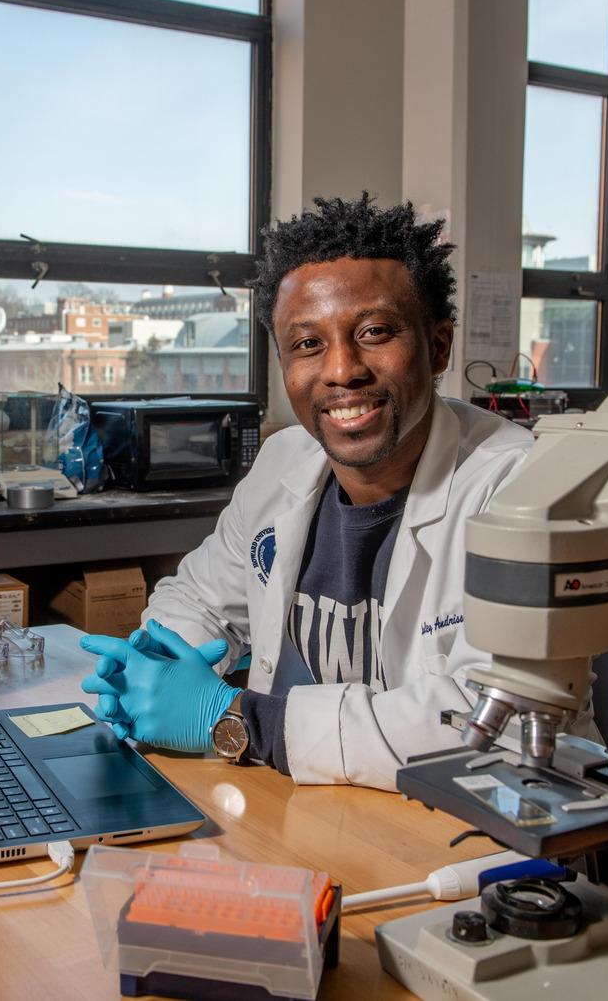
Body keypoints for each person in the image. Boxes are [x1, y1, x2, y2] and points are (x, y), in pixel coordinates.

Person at [80, 194, 534, 791]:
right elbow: (199, 598)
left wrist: (235, 719)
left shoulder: (519, 488)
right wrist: (153, 667)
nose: (342, 369)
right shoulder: (285, 461)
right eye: (307, 344)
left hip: (464, 837)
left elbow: (496, 723)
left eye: (374, 332)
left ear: (439, 346)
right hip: (309, 806)